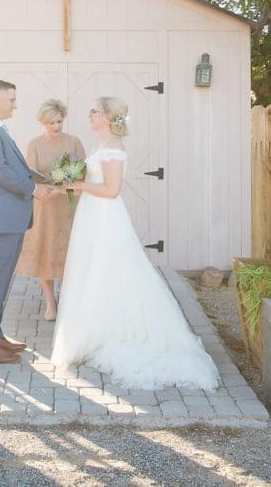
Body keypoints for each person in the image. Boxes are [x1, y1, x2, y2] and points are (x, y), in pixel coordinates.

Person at [51, 97, 220, 390]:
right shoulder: (102, 148)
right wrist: (71, 185)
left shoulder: (113, 151)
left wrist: (76, 185)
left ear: (106, 117)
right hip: (93, 215)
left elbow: (112, 190)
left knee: (109, 269)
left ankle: (111, 332)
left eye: (94, 111)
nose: (89, 114)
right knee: (95, 272)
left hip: (106, 218)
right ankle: (95, 329)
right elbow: (98, 187)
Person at [0, 79, 52, 364]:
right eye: (11, 100)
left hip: (9, 220)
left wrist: (44, 179)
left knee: (1, 281)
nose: (16, 104)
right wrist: (34, 190)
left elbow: (15, 166)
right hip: (0, 220)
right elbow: (0, 173)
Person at [16, 99, 86, 322]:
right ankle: (50, 301)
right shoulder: (34, 144)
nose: (56, 126)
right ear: (42, 122)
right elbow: (31, 175)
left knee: (69, 251)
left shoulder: (74, 142)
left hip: (69, 205)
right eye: (50, 123)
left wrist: (67, 183)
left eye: (59, 121)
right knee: (46, 252)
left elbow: (84, 173)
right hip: (45, 206)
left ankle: (68, 299)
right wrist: (45, 185)